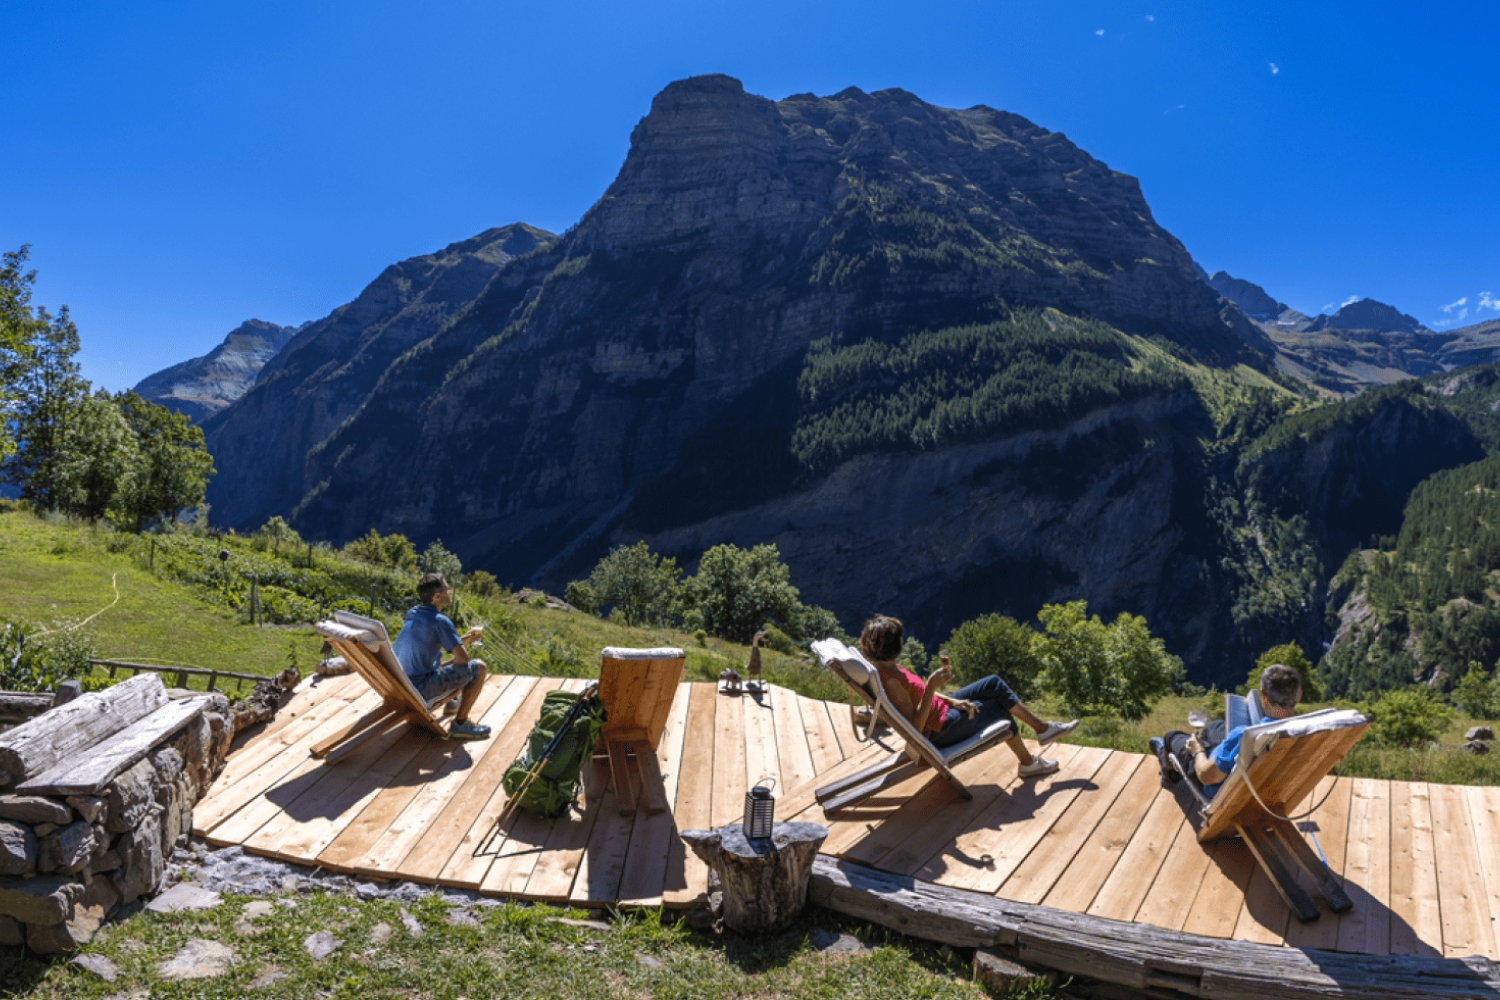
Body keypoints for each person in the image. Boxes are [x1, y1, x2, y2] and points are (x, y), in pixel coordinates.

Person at [858, 615, 1078, 778]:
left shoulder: (886, 668)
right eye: (900, 638)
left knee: (993, 683)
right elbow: (916, 728)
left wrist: (952, 700)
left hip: (941, 711)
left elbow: (918, 697)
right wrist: (932, 686)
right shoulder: (892, 681)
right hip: (937, 730)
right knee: (999, 710)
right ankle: (1029, 763)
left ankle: (1043, 729)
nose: (903, 641)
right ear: (894, 645)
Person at [1150, 663, 1302, 795]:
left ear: (1263, 695)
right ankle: (1212, 748)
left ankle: (1169, 774)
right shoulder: (1303, 732)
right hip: (1262, 783)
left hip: (1218, 782)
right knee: (1216, 726)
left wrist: (1197, 750)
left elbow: (1205, 776)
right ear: (1299, 696)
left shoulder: (1246, 736)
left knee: (1172, 736)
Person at [392, 572, 491, 740]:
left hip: (402, 684)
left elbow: (428, 645)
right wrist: (458, 654)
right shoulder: (441, 620)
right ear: (437, 597)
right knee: (479, 667)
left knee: (441, 660)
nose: (450, 590)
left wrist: (461, 641)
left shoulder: (413, 613)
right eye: (446, 588)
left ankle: (453, 701)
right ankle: (460, 724)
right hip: (420, 689)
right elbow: (463, 661)